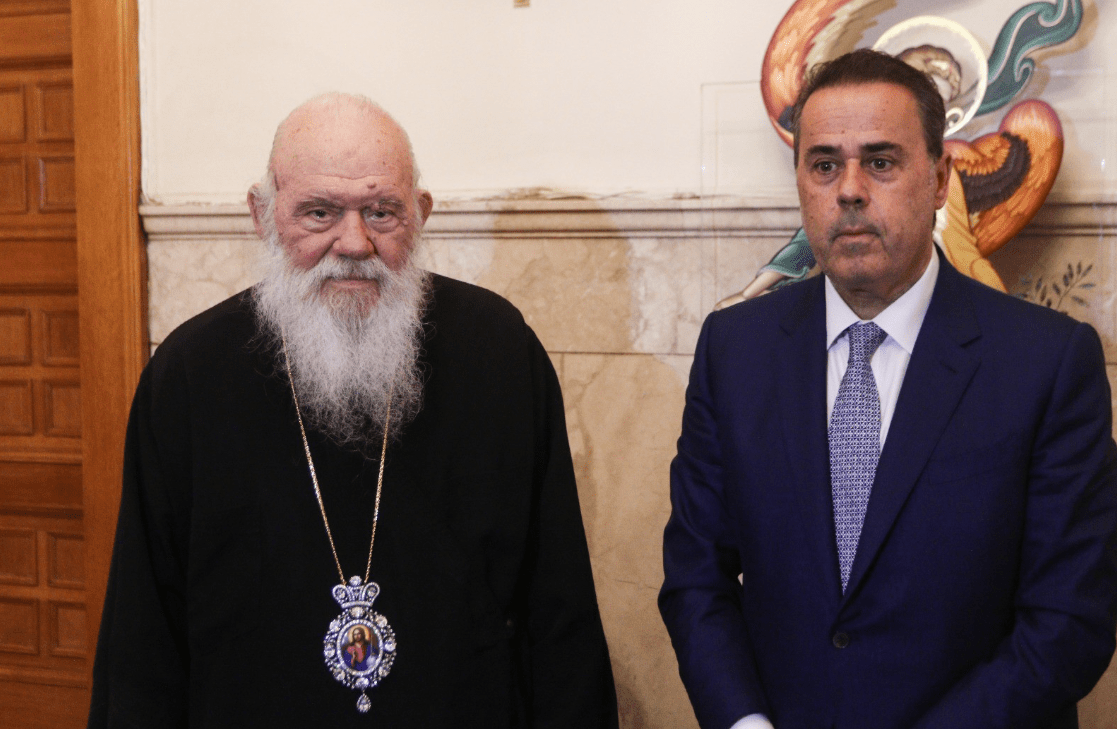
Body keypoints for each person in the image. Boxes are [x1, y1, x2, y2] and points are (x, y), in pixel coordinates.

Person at [89, 92, 617, 727]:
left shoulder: (499, 353)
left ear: (420, 215)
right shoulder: (188, 376)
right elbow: (144, 637)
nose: (355, 242)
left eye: (381, 212)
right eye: (319, 212)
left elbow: (558, 610)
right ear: (262, 215)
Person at [659, 49, 1117, 729]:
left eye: (879, 162)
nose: (848, 190)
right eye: (823, 165)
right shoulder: (735, 351)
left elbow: (1069, 621)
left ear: (939, 180)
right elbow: (697, 579)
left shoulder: (1045, 362)